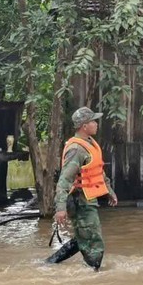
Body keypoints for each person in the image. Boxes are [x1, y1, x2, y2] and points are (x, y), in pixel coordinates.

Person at [47, 107, 118, 271]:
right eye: (93, 121)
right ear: (84, 126)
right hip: (80, 201)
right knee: (95, 242)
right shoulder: (76, 149)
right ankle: (93, 275)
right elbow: (64, 180)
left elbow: (99, 172)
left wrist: (109, 192)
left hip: (88, 199)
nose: (96, 124)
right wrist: (60, 209)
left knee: (84, 237)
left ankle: (50, 263)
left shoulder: (90, 144)